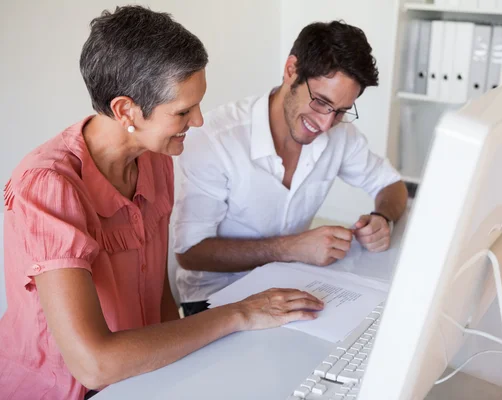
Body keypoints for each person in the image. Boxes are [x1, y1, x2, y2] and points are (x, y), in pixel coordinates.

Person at [0, 6, 323, 400]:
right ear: (125, 110)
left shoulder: (155, 156)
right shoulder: (48, 186)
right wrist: (240, 313)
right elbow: (92, 364)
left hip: (143, 377)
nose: (200, 121)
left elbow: (157, 290)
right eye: (183, 111)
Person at [173, 21, 408, 316]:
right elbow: (190, 254)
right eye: (321, 102)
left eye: (341, 111)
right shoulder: (215, 138)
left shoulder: (339, 134)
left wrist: (382, 218)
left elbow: (391, 185)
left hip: (290, 287)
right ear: (291, 70)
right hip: (217, 300)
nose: (325, 124)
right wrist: (290, 248)